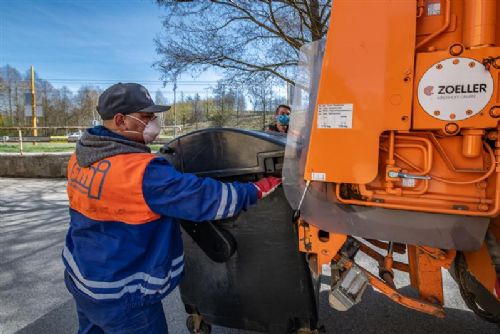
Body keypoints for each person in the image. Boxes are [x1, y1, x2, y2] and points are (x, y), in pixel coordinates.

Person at [62, 83, 281, 334]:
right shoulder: (142, 171)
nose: (155, 121)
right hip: (123, 292)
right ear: (121, 121)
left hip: (82, 278)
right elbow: (204, 199)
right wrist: (254, 190)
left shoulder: (83, 156)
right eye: (146, 116)